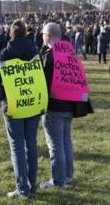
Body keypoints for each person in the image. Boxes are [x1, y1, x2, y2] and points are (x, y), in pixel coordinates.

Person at [0, 19, 48, 198]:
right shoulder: (36, 53)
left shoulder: (5, 53)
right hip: (32, 104)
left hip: (14, 106)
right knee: (31, 144)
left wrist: (4, 97)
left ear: (11, 35)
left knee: (17, 147)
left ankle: (23, 189)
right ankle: (31, 187)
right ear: (26, 34)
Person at [40, 22, 75, 189]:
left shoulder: (49, 56)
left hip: (54, 106)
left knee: (55, 145)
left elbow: (44, 84)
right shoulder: (70, 53)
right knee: (66, 142)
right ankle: (68, 176)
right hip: (69, 105)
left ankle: (59, 180)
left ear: (47, 37)